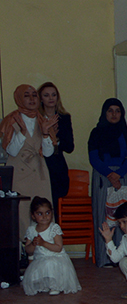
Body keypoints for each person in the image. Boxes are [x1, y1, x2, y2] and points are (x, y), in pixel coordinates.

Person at [1, 84, 55, 235]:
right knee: (21, 212)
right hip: (20, 173)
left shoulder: (43, 120)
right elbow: (11, 151)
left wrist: (45, 133)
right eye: (26, 95)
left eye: (34, 95)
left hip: (39, 172)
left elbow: (48, 153)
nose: (32, 99)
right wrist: (22, 132)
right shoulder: (12, 119)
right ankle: (23, 246)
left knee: (43, 211)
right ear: (19, 98)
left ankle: (44, 244)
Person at [88, 98, 127, 267]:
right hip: (103, 176)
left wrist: (119, 174)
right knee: (104, 216)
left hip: (123, 176)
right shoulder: (96, 133)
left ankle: (124, 258)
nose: (114, 114)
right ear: (104, 113)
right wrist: (110, 175)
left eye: (117, 111)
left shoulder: (124, 132)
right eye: (110, 110)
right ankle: (106, 258)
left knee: (124, 216)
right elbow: (93, 158)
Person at [22, 197, 81, 296]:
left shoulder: (54, 228)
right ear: (33, 216)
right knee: (36, 270)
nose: (44, 216)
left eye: (47, 213)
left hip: (56, 257)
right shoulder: (31, 230)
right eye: (40, 214)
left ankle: (56, 285)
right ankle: (45, 284)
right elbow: (28, 250)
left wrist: (43, 243)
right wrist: (33, 244)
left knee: (50, 263)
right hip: (40, 259)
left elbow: (58, 248)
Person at [37, 82, 74, 222]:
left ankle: (55, 233)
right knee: (41, 204)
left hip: (57, 166)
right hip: (40, 164)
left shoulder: (64, 118)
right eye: (46, 95)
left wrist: (55, 140)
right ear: (41, 98)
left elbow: (70, 147)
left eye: (53, 95)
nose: (51, 98)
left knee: (56, 204)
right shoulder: (36, 118)